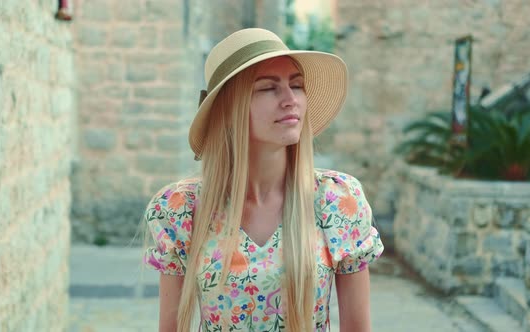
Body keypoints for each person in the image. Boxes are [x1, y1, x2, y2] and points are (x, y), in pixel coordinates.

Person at [142, 28, 384, 332]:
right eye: (268, 88)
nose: (290, 99)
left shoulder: (337, 202)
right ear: (231, 109)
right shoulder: (181, 210)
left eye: (296, 85)